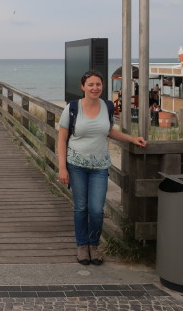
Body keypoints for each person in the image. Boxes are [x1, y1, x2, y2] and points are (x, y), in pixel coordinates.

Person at [57, 70, 146, 266]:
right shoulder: (72, 108)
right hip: (76, 165)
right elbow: (62, 139)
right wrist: (62, 168)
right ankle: (82, 246)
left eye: (98, 84)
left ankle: (94, 245)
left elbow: (110, 132)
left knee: (96, 209)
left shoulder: (107, 106)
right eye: (90, 84)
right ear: (83, 87)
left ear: (102, 86)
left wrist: (132, 139)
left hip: (99, 167)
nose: (95, 88)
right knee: (81, 207)